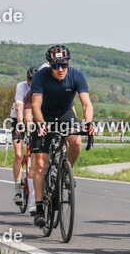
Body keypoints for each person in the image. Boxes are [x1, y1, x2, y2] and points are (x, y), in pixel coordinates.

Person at [30, 45, 95, 228]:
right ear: (50, 65)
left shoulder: (77, 75)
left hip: (65, 114)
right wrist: (41, 124)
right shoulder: (40, 76)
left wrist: (88, 123)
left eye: (64, 65)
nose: (60, 69)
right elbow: (36, 104)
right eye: (56, 66)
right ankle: (40, 208)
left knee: (76, 140)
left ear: (68, 63)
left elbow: (86, 103)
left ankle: (66, 172)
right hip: (44, 116)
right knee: (41, 163)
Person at [12, 66, 37, 205]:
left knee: (37, 154)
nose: (31, 84)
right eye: (29, 81)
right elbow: (19, 106)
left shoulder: (44, 86)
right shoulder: (21, 86)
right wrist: (20, 123)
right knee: (18, 154)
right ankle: (17, 190)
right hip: (19, 118)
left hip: (35, 118)